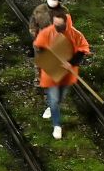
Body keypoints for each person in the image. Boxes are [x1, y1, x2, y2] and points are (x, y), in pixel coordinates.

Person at [33, 9, 90, 140]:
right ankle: (57, 125)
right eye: (55, 24)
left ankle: (51, 107)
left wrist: (71, 62)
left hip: (67, 74)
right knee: (53, 99)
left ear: (66, 23)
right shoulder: (48, 32)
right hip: (52, 72)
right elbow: (39, 46)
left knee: (59, 98)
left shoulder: (76, 35)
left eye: (59, 24)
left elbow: (83, 50)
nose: (57, 26)